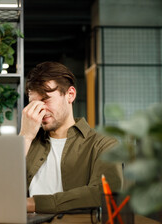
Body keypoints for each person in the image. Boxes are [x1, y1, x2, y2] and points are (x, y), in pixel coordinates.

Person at [19, 61, 123, 213]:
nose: (40, 109)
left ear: (70, 95)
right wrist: (25, 136)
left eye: (45, 99)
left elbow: (103, 192)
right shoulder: (27, 143)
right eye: (33, 103)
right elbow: (1, 189)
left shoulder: (103, 144)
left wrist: (34, 203)